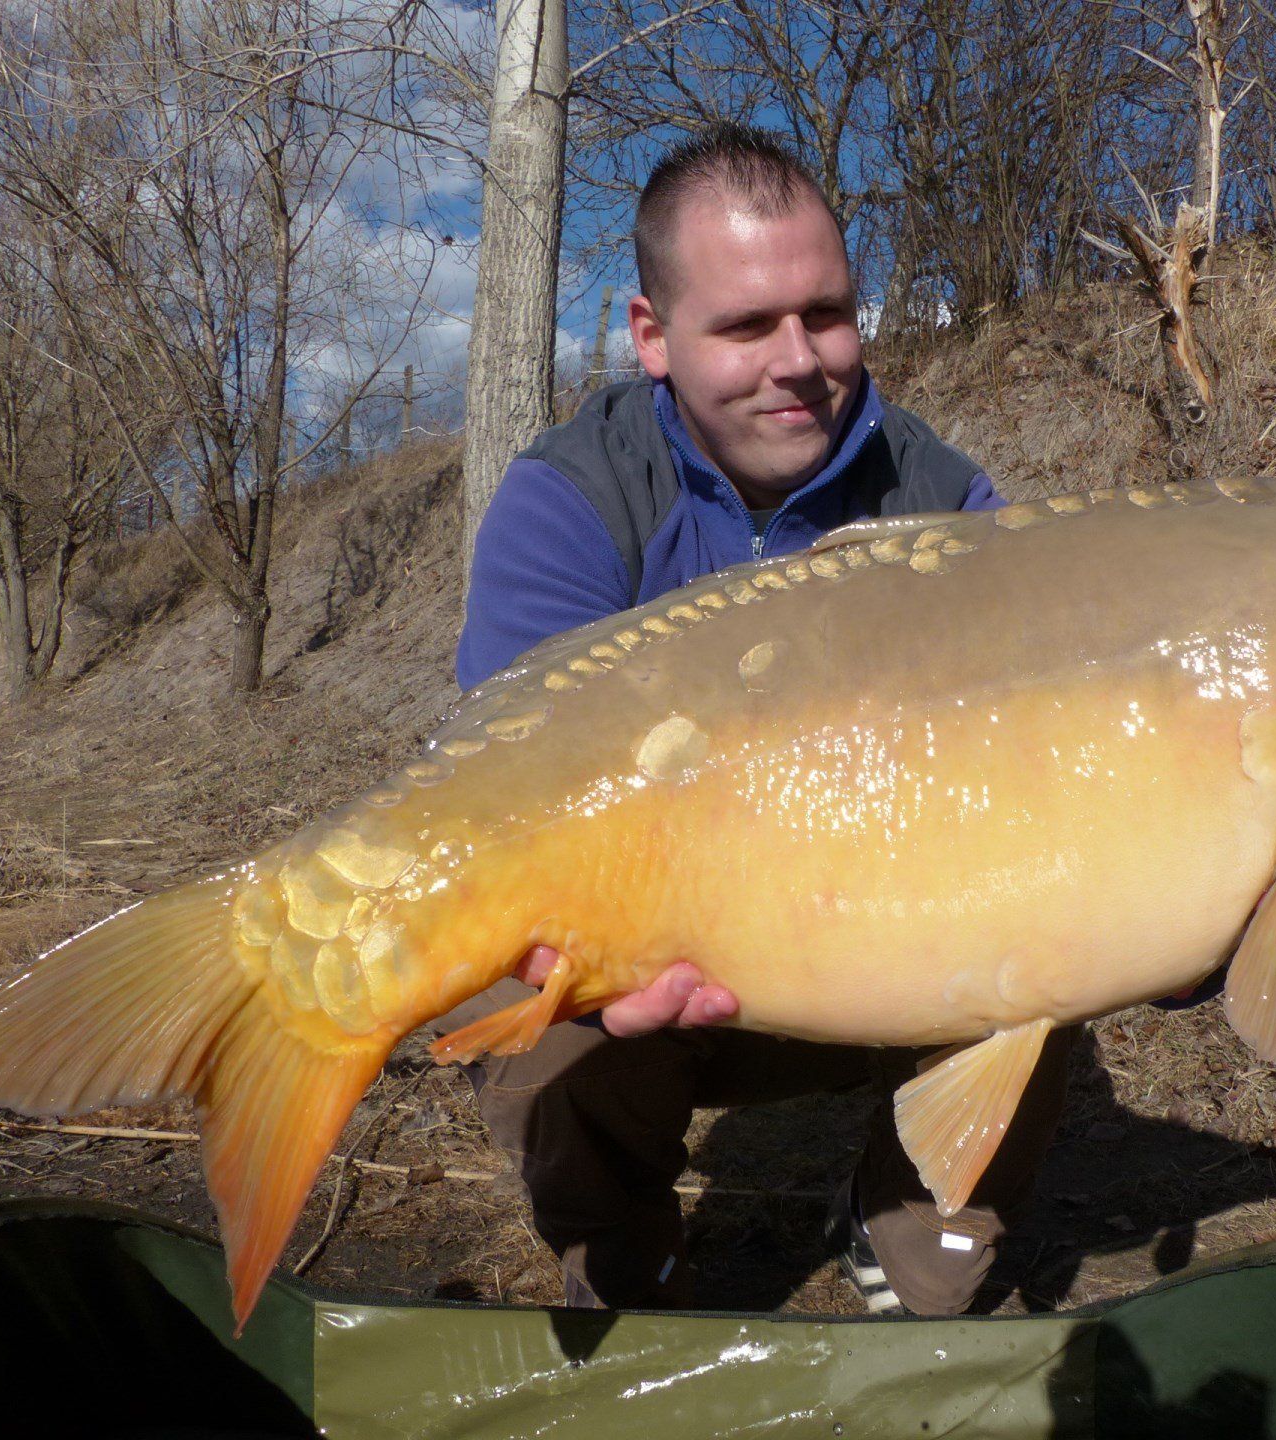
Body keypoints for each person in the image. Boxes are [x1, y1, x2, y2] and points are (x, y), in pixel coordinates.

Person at [443, 123, 1075, 1317]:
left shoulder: (947, 503)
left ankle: (909, 1229)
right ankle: (626, 1250)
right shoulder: (570, 500)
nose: (800, 360)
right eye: (744, 327)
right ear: (651, 336)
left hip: (898, 936)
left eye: (826, 314)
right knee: (527, 1024)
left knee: (1055, 947)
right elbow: (514, 795)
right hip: (660, 958)